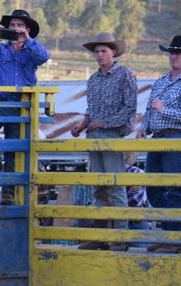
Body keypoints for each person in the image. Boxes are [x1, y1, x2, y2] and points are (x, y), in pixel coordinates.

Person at [0, 9, 49, 205]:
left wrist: (27, 40)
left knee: (14, 152)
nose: (16, 28)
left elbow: (43, 57)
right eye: (12, 25)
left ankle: (8, 192)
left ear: (27, 29)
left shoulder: (32, 49)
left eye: (20, 25)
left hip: (22, 105)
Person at [72, 32, 137, 251]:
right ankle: (100, 236)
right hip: (93, 135)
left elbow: (130, 108)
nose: (99, 55)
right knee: (98, 186)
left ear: (114, 52)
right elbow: (91, 109)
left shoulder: (125, 75)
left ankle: (120, 236)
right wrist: (82, 125)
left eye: (104, 51)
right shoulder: (93, 79)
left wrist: (104, 123)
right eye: (97, 51)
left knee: (115, 185)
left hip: (112, 135)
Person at [138, 35, 181, 254]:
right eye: (172, 52)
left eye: (178, 53)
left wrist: (165, 110)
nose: (174, 56)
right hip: (157, 137)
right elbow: (148, 108)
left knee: (175, 190)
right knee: (153, 188)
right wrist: (143, 128)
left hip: (176, 137)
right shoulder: (162, 80)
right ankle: (168, 235)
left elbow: (158, 108)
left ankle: (174, 239)